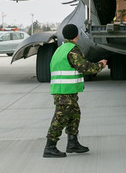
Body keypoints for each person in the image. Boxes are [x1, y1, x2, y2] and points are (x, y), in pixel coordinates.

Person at [43, 24, 107, 158]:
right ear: (76, 36)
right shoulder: (72, 50)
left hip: (65, 89)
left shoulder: (60, 49)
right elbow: (84, 67)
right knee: (60, 118)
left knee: (74, 114)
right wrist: (101, 64)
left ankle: (73, 143)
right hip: (64, 90)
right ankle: (50, 147)